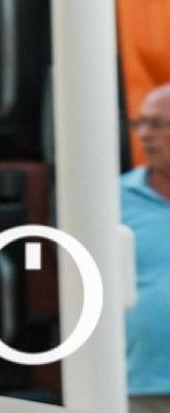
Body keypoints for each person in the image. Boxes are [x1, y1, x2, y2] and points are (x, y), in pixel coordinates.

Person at [126, 84, 170, 413]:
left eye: (158, 124)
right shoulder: (112, 199)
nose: (144, 135)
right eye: (139, 123)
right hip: (141, 385)